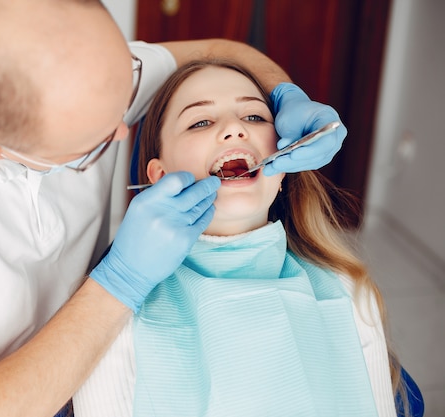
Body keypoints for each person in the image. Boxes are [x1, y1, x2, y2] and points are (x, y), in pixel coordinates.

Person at [0, 1, 348, 416]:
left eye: (124, 103)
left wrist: (282, 92)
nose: (123, 132)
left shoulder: (75, 66)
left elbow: (217, 49)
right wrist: (120, 280)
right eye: (96, 143)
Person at [72, 60, 402, 417]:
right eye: (200, 122)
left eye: (256, 118)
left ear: (284, 164)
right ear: (160, 175)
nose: (234, 129)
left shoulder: (349, 290)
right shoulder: (112, 319)